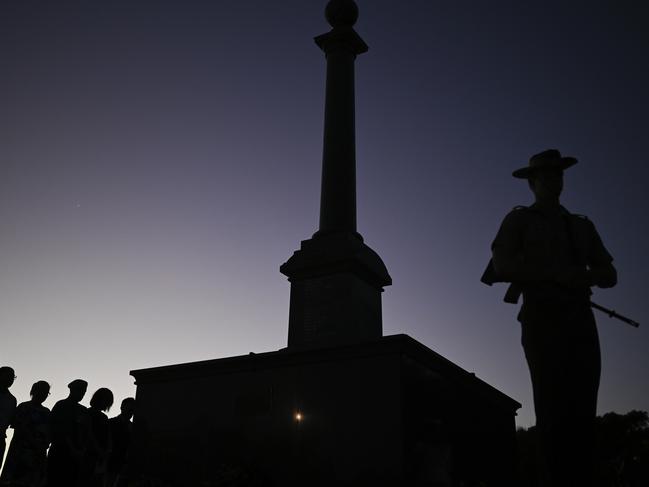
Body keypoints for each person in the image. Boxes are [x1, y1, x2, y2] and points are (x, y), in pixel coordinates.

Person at [483, 149, 617, 487]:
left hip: (579, 316)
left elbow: (608, 272)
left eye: (558, 173)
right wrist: (554, 273)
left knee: (584, 408)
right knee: (552, 407)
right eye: (546, 174)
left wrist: (583, 277)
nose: (554, 180)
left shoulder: (580, 225)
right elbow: (502, 266)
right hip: (543, 317)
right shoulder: (519, 220)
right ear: (532, 182)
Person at [0, 381, 51, 486]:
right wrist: (34, 442)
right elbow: (19, 428)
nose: (43, 395)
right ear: (33, 391)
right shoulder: (23, 407)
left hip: (38, 455)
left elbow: (49, 432)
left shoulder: (47, 412)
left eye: (46, 393)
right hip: (20, 453)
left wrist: (44, 444)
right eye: (41, 391)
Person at [46, 379, 88, 487]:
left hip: (75, 455)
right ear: (72, 390)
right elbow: (58, 428)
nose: (82, 394)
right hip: (60, 451)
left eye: (84, 392)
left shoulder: (83, 410)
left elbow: (84, 432)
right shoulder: (61, 405)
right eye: (80, 391)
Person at [78, 388, 113, 487]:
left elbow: (107, 437)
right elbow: (88, 433)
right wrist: (100, 450)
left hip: (98, 456)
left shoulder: (103, 418)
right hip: (89, 454)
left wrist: (106, 452)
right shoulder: (87, 413)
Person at [106, 398, 135, 487]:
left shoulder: (132, 427)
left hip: (121, 464)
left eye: (132, 410)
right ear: (122, 407)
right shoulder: (111, 423)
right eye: (129, 409)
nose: (130, 412)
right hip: (112, 462)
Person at [0, 367, 17, 473]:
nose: (10, 380)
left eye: (12, 377)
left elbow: (11, 421)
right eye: (8, 376)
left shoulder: (12, 399)